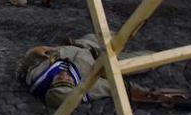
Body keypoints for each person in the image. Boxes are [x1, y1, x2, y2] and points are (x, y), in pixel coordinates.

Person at [16, 32, 156, 108]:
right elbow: (114, 87)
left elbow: (21, 69)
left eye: (59, 80)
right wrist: (149, 94)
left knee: (117, 34)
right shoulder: (88, 86)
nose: (64, 76)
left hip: (84, 43)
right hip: (101, 61)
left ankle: (125, 32)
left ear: (51, 85)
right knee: (148, 60)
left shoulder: (37, 77)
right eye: (67, 81)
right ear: (74, 85)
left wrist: (34, 52)